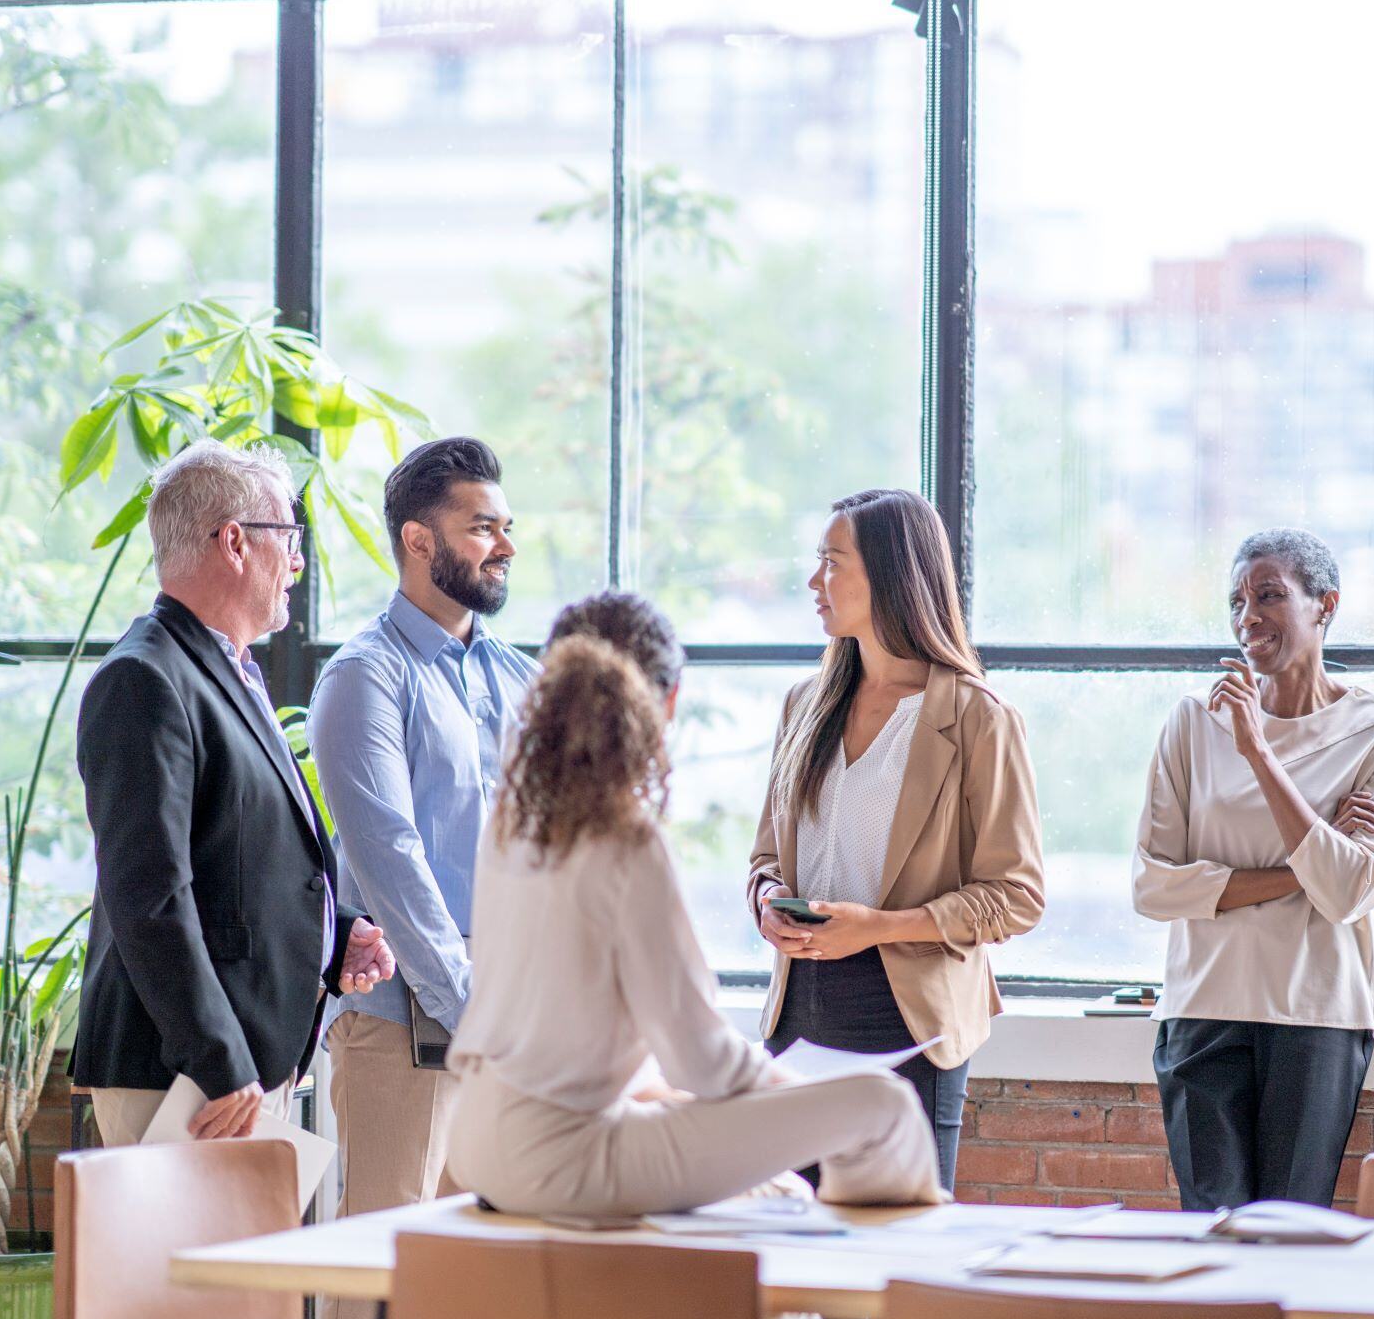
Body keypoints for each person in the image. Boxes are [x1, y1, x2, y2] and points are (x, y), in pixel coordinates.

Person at [444, 611, 943, 1217]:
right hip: (561, 1156)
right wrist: (803, 1095)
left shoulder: (512, 821)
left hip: (475, 1138)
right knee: (881, 1103)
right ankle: (854, 1274)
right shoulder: (625, 839)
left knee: (716, 1126)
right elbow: (700, 1062)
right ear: (665, 701)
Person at [70, 440, 396, 1148]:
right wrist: (218, 1058)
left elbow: (236, 861)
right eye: (291, 538)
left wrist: (333, 937)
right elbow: (148, 895)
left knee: (231, 1265)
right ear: (235, 542)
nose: (300, 563)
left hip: (237, 1064)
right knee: (172, 1265)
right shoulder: (144, 680)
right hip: (184, 1075)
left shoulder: (228, 669)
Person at [748, 488, 1046, 1197]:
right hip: (800, 1011)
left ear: (889, 573)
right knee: (801, 1244)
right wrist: (764, 901)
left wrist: (879, 929)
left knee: (890, 1248)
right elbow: (766, 856)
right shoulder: (803, 704)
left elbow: (1017, 895)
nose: (814, 582)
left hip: (907, 1019)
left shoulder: (977, 718)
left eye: (831, 563)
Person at [307, 437, 539, 1319]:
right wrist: (472, 1005)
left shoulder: (521, 678)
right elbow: (389, 854)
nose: (505, 547)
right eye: (482, 528)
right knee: (381, 1279)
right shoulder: (365, 677)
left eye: (506, 527)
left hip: (505, 1027)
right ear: (417, 539)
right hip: (405, 1028)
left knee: (477, 1290)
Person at [1131, 528, 1374, 1211]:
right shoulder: (1193, 722)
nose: (1246, 617)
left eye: (1267, 595)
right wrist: (1304, 868)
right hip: (1201, 1007)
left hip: (1317, 1011)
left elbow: (1350, 890)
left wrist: (1258, 752)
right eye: (1235, 601)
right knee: (1213, 1233)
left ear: (1325, 605)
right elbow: (1152, 885)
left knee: (1290, 1231)